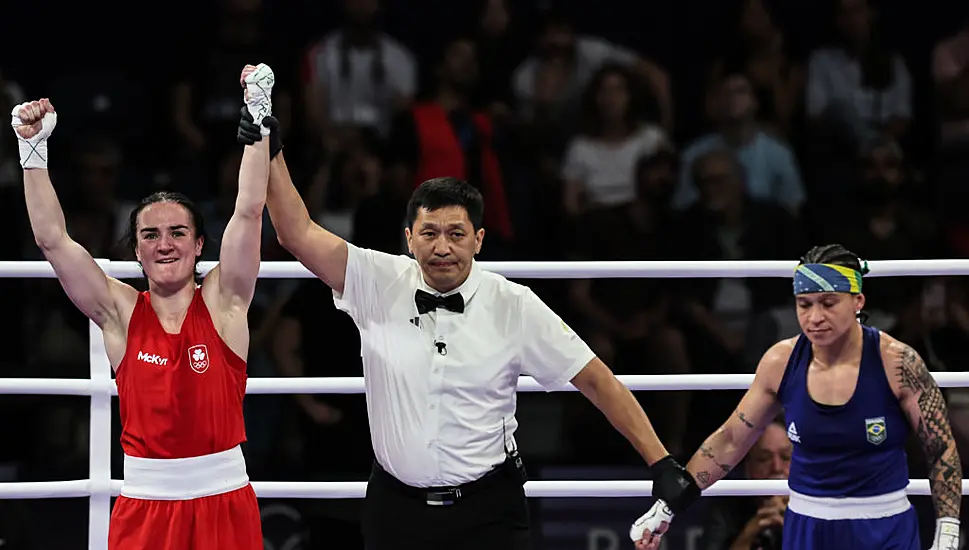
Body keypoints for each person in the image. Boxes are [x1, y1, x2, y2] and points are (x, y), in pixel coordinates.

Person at [237, 112, 698, 550]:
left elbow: (596, 379)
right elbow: (296, 233)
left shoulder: (513, 304)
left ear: (479, 239)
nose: (442, 247)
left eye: (456, 234)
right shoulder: (377, 279)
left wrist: (659, 461)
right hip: (395, 508)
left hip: (489, 510)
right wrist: (270, 150)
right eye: (430, 233)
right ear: (409, 238)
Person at [13, 63, 276, 549]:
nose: (165, 244)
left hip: (224, 499)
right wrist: (33, 151)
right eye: (150, 235)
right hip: (146, 504)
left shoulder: (225, 301)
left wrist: (258, 117)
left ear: (200, 245)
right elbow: (52, 240)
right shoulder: (118, 311)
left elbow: (249, 209)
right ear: (136, 250)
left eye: (178, 232)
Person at [631, 244, 963, 550]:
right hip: (808, 525)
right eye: (805, 304)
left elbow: (941, 447)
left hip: (884, 525)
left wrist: (947, 528)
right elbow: (731, 439)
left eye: (828, 303)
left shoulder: (898, 363)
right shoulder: (781, 362)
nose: (815, 317)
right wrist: (669, 505)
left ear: (858, 301)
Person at [698, 417, 791, 550]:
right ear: (748, 466)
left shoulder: (816, 505)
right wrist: (751, 532)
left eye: (786, 457)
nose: (776, 467)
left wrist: (794, 530)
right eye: (763, 459)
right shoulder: (726, 511)